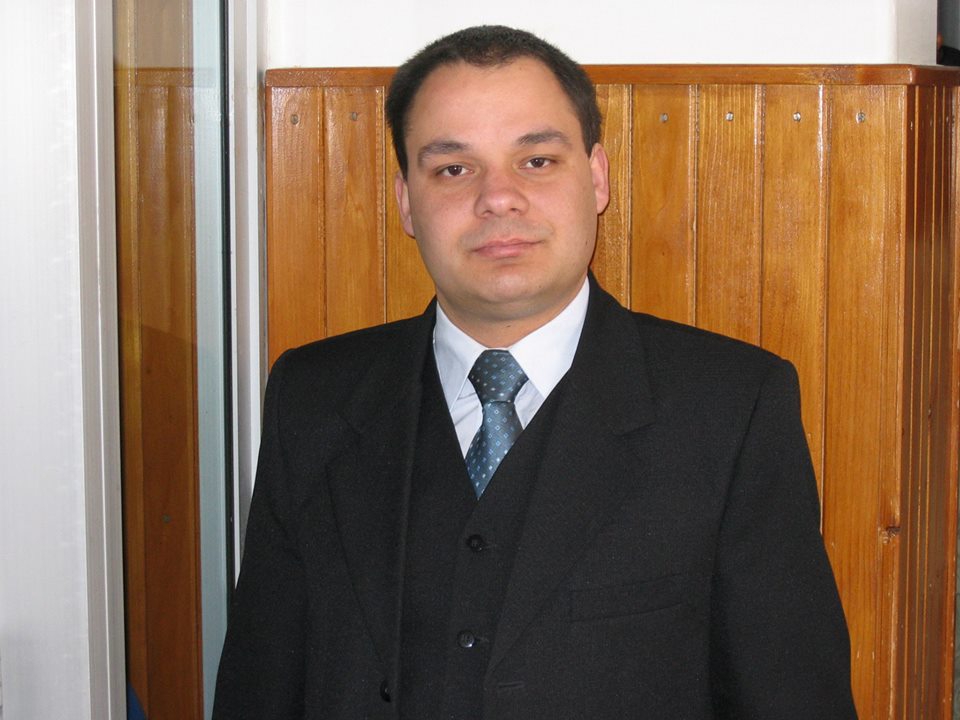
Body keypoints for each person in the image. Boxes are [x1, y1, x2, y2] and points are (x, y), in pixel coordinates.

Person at [213, 25, 857, 719]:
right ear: (405, 201)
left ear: (597, 177)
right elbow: (260, 683)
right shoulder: (312, 397)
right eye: (453, 169)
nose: (499, 198)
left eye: (537, 160)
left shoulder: (731, 410)